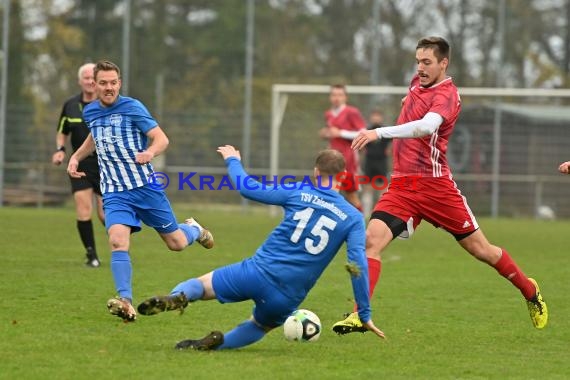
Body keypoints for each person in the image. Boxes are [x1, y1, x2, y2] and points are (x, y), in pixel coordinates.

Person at [332, 36, 548, 334]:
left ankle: (529, 290)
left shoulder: (447, 95)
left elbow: (426, 126)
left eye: (427, 62)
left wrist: (378, 132)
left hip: (436, 187)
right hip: (402, 187)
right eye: (418, 61)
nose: (420, 67)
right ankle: (360, 315)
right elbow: (411, 106)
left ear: (443, 63)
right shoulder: (417, 82)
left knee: (482, 250)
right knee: (371, 241)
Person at [136, 146, 385, 350]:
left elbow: (248, 189)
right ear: (343, 176)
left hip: (255, 272)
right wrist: (363, 313)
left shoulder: (298, 192)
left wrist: (233, 160)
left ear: (315, 171)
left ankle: (180, 296)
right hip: (287, 296)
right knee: (259, 326)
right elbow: (357, 266)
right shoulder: (352, 217)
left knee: (201, 285)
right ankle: (214, 345)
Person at [67, 60, 214, 323]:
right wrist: (76, 157)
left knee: (176, 243)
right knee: (117, 241)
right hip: (114, 192)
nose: (108, 87)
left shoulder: (132, 107)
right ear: (94, 84)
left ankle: (195, 229)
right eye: (103, 83)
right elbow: (94, 137)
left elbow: (161, 138)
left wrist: (150, 152)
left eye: (113, 82)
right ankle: (125, 301)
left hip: (145, 189)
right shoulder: (90, 112)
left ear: (119, 83)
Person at [52, 63, 104, 268]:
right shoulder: (70, 105)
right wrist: (60, 150)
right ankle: (91, 255)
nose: (90, 82)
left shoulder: (107, 104)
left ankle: (119, 246)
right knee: (83, 209)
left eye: (93, 78)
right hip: (80, 163)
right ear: (80, 81)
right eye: (86, 78)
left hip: (104, 164)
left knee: (104, 214)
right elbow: (62, 131)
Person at [319, 84, 366, 211]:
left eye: (340, 95)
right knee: (328, 193)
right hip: (332, 159)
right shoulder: (328, 114)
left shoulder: (352, 112)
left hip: (348, 160)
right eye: (334, 95)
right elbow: (333, 134)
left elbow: (363, 132)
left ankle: (359, 226)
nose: (336, 98)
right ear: (330, 97)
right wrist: (326, 133)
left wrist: (341, 133)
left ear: (345, 97)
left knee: (351, 195)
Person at [362, 109, 392, 217]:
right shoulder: (367, 130)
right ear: (371, 117)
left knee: (382, 187)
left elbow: (393, 142)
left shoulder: (385, 131)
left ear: (381, 118)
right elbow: (361, 143)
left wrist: (390, 149)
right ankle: (366, 213)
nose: (376, 118)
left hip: (382, 162)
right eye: (374, 116)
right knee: (367, 187)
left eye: (377, 116)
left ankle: (380, 212)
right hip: (369, 161)